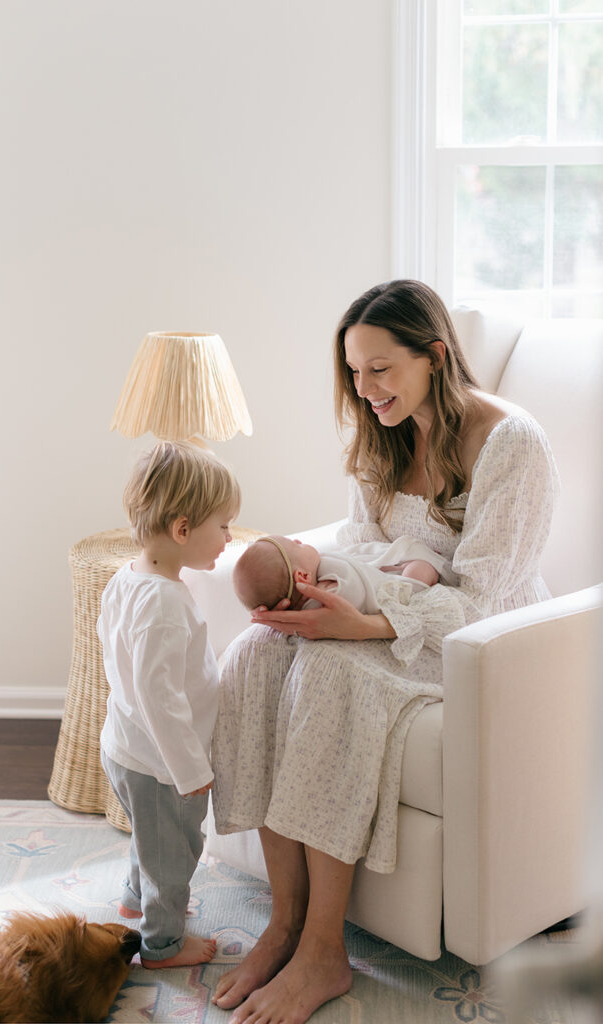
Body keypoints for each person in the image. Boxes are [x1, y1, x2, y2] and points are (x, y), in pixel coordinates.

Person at [211, 279, 559, 1024]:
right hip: (392, 602)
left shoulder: (511, 444)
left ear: (433, 357)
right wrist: (331, 594)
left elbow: (485, 598)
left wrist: (366, 626)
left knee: (335, 674)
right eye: (354, 374)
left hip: (477, 640)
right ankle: (285, 919)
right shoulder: (382, 432)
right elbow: (363, 541)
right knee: (255, 655)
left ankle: (323, 949)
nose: (365, 390)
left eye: (380, 370)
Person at [97, 440, 240, 969]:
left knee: (149, 838)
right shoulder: (162, 603)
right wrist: (190, 769)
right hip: (160, 765)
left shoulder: (127, 579)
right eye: (223, 526)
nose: (229, 537)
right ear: (182, 530)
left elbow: (116, 656)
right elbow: (160, 699)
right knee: (174, 856)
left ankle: (133, 901)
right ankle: (162, 945)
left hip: (125, 747)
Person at [233, 532, 457, 613]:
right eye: (297, 545)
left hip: (379, 577)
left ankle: (402, 567)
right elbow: (358, 589)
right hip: (396, 594)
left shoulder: (305, 603)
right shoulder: (330, 590)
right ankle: (415, 570)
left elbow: (360, 564)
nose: (301, 541)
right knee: (420, 571)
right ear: (301, 577)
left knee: (386, 566)